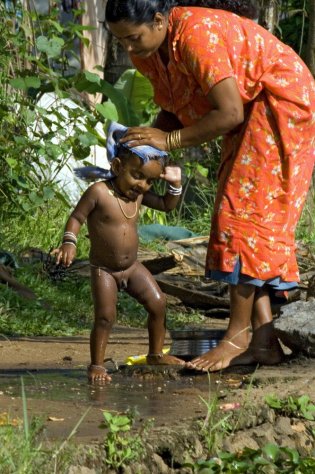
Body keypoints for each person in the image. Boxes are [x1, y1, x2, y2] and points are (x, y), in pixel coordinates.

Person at [105, 0, 315, 372]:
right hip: (250, 109)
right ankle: (264, 341)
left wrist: (167, 143)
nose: (129, 49)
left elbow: (229, 111)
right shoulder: (149, 52)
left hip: (280, 100)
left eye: (133, 38)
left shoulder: (196, 35)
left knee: (243, 216)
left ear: (159, 20)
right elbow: (173, 111)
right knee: (244, 217)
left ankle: (236, 336)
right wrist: (145, 149)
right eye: (121, 41)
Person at [53, 121, 185, 384]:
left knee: (158, 304)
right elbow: (77, 217)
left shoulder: (137, 195)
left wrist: (175, 185)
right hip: (105, 270)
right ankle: (96, 365)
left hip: (132, 267)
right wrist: (69, 242)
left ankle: (156, 354)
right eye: (138, 176)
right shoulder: (99, 192)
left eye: (149, 181)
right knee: (105, 317)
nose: (143, 186)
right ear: (117, 167)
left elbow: (167, 205)